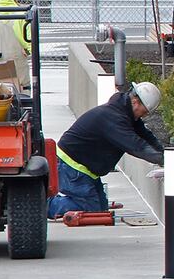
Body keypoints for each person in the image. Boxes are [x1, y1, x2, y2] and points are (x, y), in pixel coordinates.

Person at [47, 82, 164, 218]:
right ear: (135, 101)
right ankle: (43, 206)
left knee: (100, 210)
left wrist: (165, 154)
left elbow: (145, 135)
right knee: (91, 211)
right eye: (144, 112)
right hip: (71, 167)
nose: (143, 116)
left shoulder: (126, 114)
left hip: (81, 168)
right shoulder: (114, 118)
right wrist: (164, 160)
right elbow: (136, 146)